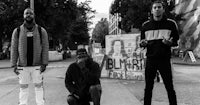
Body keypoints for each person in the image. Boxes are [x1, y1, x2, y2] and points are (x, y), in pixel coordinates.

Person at [140, 1, 179, 105]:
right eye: (155, 7)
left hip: (164, 59)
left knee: (169, 87)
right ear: (152, 11)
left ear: (163, 9)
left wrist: (169, 43)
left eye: (159, 7)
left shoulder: (171, 24)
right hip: (151, 60)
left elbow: (176, 42)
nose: (157, 9)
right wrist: (143, 44)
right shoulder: (145, 26)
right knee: (148, 87)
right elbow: (142, 42)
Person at [10, 8, 49, 105]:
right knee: (23, 89)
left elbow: (45, 47)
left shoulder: (41, 30)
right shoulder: (17, 31)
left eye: (30, 13)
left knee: (39, 88)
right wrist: (14, 64)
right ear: (23, 16)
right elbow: (14, 48)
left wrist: (44, 63)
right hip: (22, 66)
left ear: (34, 15)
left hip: (37, 66)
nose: (28, 15)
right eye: (26, 13)